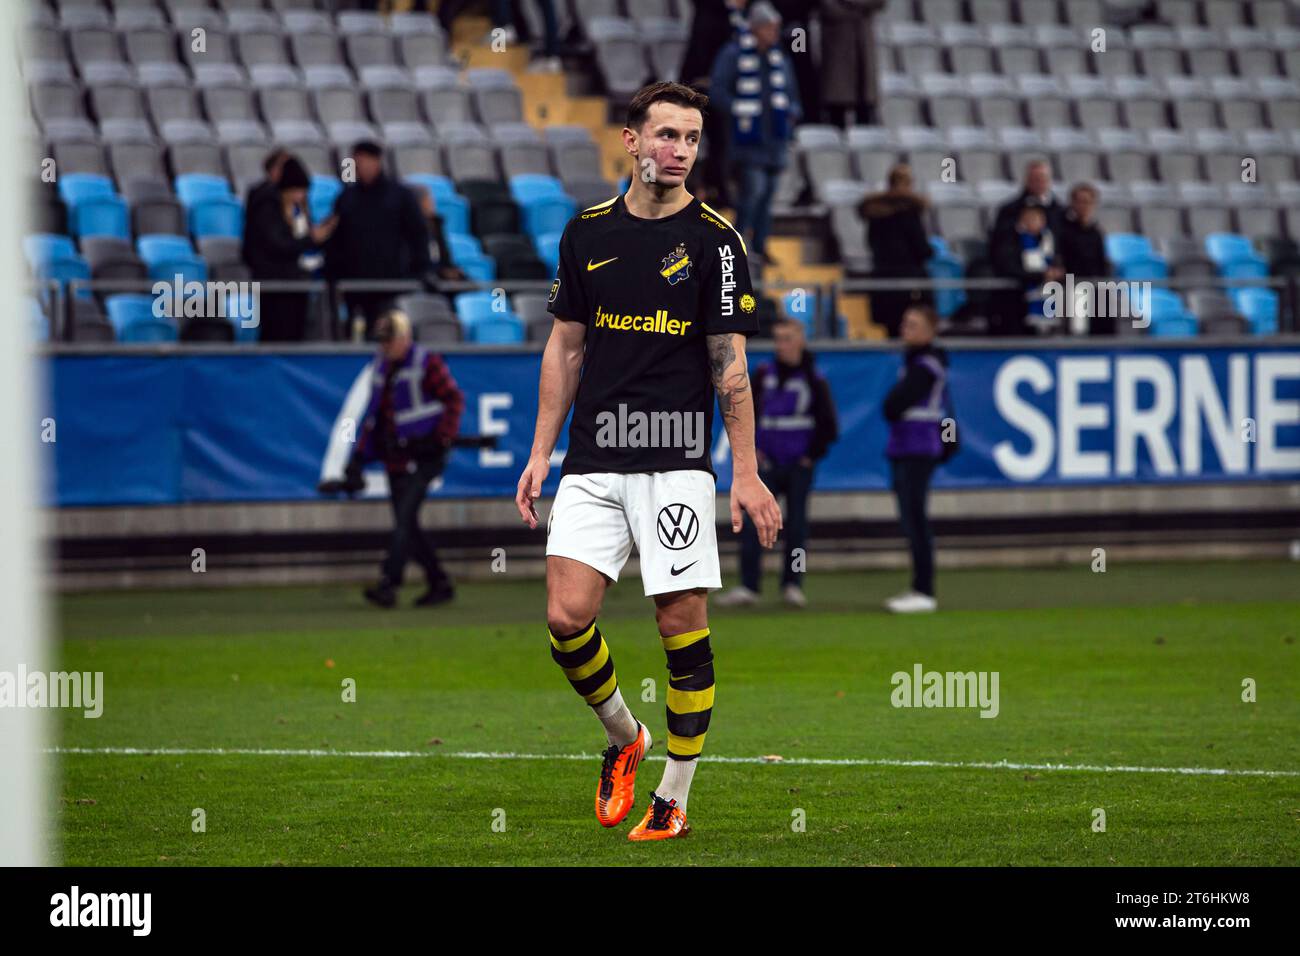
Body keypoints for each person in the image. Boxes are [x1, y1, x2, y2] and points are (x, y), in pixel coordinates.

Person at [514, 81, 781, 841]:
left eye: (691, 139)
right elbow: (565, 347)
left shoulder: (717, 242)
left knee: (679, 625)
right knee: (566, 618)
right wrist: (540, 451)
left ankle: (674, 796)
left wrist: (747, 471)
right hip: (594, 456)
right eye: (666, 135)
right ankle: (624, 736)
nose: (679, 151)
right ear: (631, 141)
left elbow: (729, 363)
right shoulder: (586, 233)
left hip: (676, 460)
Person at [346, 310, 465, 609]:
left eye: (389, 341)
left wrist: (441, 437)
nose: (385, 347)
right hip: (397, 458)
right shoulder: (381, 368)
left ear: (404, 337)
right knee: (407, 522)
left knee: (404, 520)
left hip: (427, 456)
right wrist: (358, 458)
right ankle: (439, 582)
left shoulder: (426, 362)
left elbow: (454, 400)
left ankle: (389, 583)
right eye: (382, 342)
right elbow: (376, 418)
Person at [717, 317, 838, 608]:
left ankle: (792, 585)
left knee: (796, 526)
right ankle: (749, 586)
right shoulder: (763, 374)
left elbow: (828, 425)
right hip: (767, 466)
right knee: (751, 525)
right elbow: (744, 413)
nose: (782, 345)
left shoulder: (813, 378)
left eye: (788, 338)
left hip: (798, 466)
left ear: (801, 341)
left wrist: (810, 456)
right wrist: (754, 452)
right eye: (778, 338)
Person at [708, 1, 802, 264]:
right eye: (770, 28)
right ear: (757, 28)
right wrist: (739, 109)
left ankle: (760, 245)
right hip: (747, 142)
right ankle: (738, 244)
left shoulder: (780, 59)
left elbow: (793, 95)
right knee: (753, 193)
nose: (774, 33)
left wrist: (792, 113)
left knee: (769, 196)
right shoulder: (732, 54)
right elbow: (717, 92)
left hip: (776, 142)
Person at [882, 304, 952, 614]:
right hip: (907, 446)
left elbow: (895, 404)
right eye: (904, 323)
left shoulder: (926, 365)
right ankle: (919, 588)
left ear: (929, 331)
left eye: (912, 324)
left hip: (918, 446)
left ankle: (924, 590)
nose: (904, 329)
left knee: (916, 519)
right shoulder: (917, 362)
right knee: (912, 518)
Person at [325, 141, 432, 339]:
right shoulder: (346, 198)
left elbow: (418, 234)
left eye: (366, 161)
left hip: (391, 283)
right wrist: (334, 272)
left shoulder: (400, 196)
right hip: (354, 284)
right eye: (358, 162)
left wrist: (420, 269)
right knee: (354, 334)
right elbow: (336, 239)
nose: (361, 167)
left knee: (387, 334)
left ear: (377, 162)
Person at [242, 156, 336, 342]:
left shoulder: (298, 210)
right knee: (275, 334)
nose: (300, 196)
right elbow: (279, 244)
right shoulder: (266, 206)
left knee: (295, 334)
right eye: (297, 190)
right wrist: (312, 239)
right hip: (274, 285)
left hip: (295, 284)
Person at [861, 163, 933, 338]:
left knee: (891, 332)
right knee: (911, 331)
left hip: (883, 280)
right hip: (909, 284)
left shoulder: (876, 214)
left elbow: (870, 243)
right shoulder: (909, 212)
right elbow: (921, 248)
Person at [990, 203, 1061, 335]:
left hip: (1046, 298)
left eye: (1037, 218)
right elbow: (1008, 268)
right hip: (1014, 303)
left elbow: (1058, 263)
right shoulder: (1009, 239)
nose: (1033, 221)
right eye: (1029, 217)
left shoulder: (1049, 241)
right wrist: (1041, 275)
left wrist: (1057, 271)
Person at [1056, 182, 1114, 335]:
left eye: (1088, 202)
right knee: (1078, 330)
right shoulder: (1063, 230)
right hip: (1074, 288)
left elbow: (1101, 262)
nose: (1084, 206)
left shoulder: (1096, 232)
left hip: (1097, 287)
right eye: (1080, 201)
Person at [820, 0, 886, 127]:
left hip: (862, 45)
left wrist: (850, 4)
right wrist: (859, 10)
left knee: (865, 112)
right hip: (837, 46)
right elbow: (827, 7)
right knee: (837, 108)